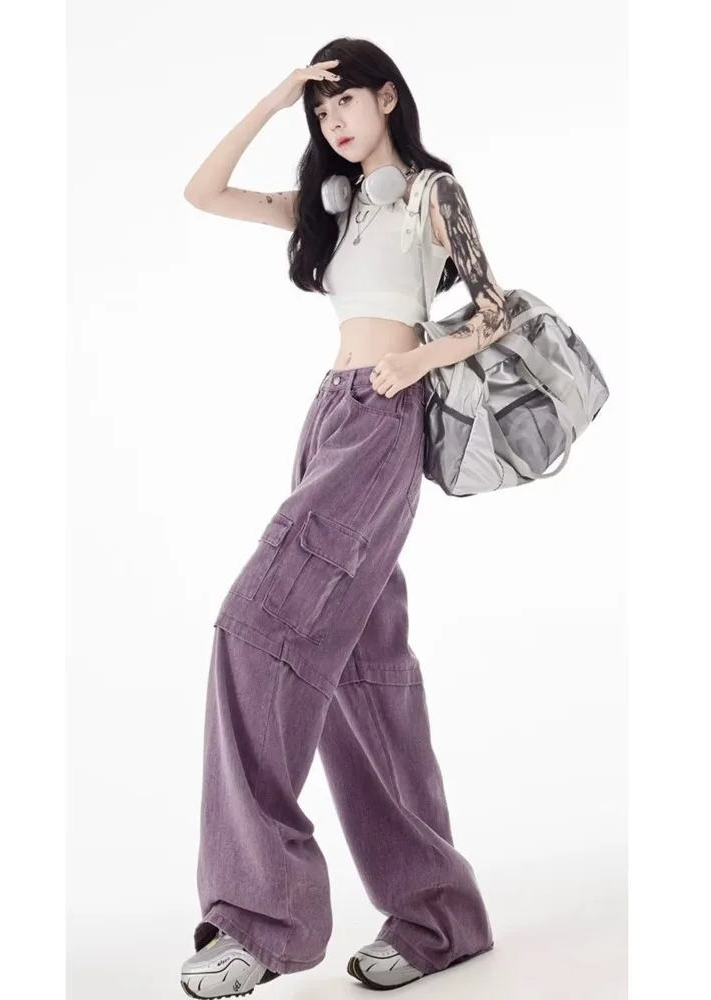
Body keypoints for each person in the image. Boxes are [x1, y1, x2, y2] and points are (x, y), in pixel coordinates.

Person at [179, 36, 507, 998]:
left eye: (345, 103)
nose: (334, 122)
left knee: (258, 627)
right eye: (322, 113)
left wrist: (417, 361)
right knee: (365, 672)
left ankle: (262, 921)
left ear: (388, 98)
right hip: (328, 416)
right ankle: (441, 919)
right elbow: (202, 192)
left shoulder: (430, 192)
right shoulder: (333, 204)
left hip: (383, 417)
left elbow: (494, 309)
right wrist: (276, 96)